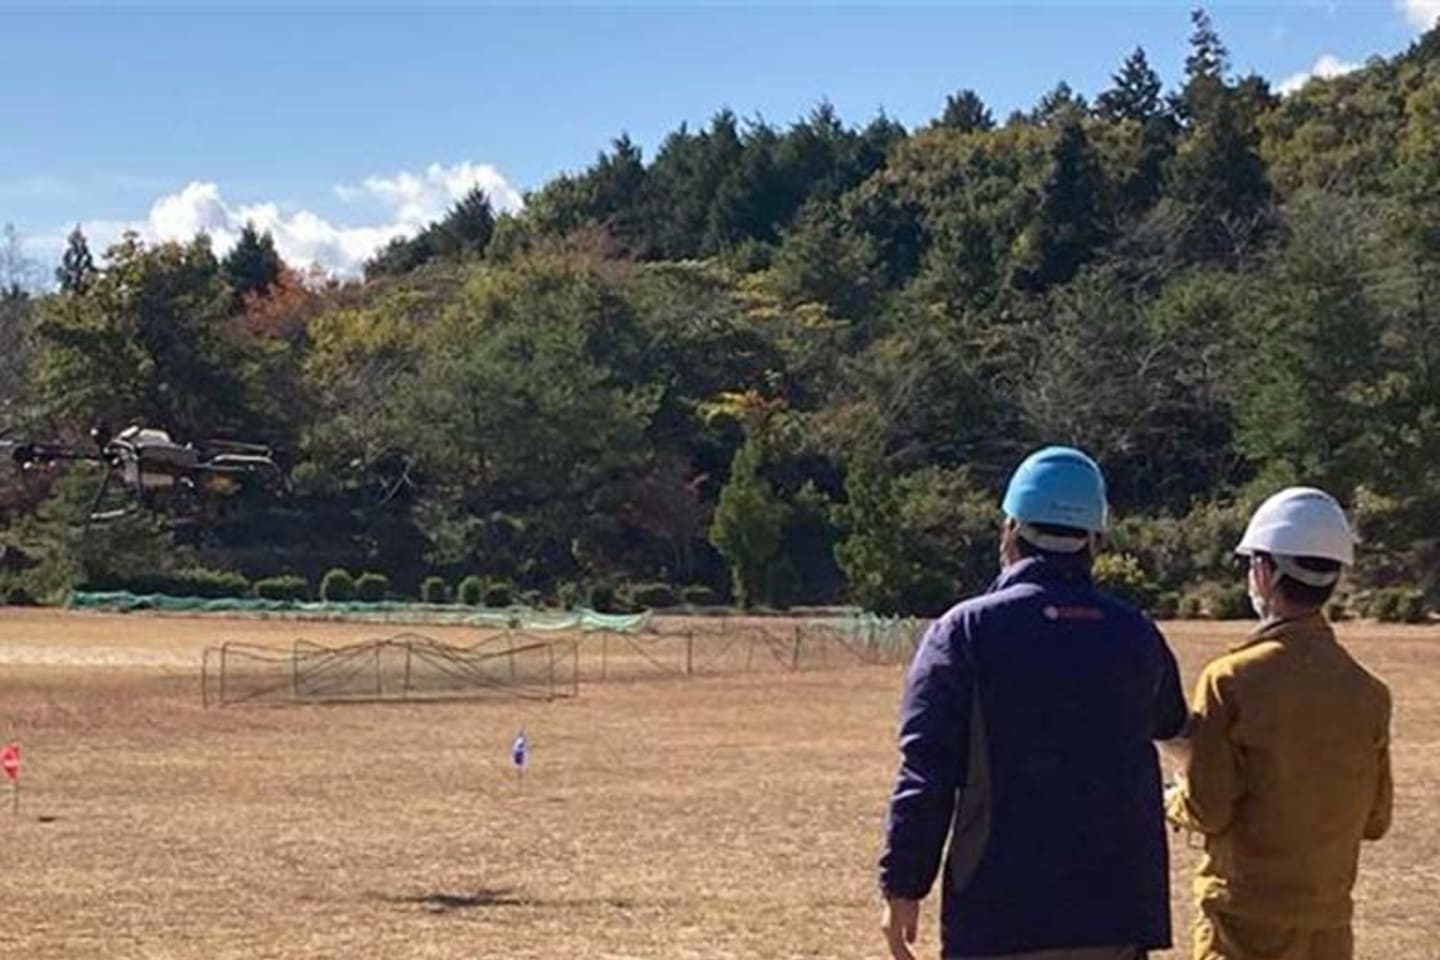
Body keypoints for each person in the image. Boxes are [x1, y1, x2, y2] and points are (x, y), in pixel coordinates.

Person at [879, 446, 1189, 960]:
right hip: (1116, 915)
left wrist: (903, 887)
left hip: (1001, 913)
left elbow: (927, 771)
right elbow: (1177, 729)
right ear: (1093, 540)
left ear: (1010, 530)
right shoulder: (1134, 633)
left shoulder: (965, 631)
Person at [1166, 487, 1392, 960]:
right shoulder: (1369, 694)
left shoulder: (1230, 679)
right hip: (1328, 929)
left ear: (1265, 573)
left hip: (1240, 924)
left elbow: (1210, 809)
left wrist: (1173, 798)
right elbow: (1376, 819)